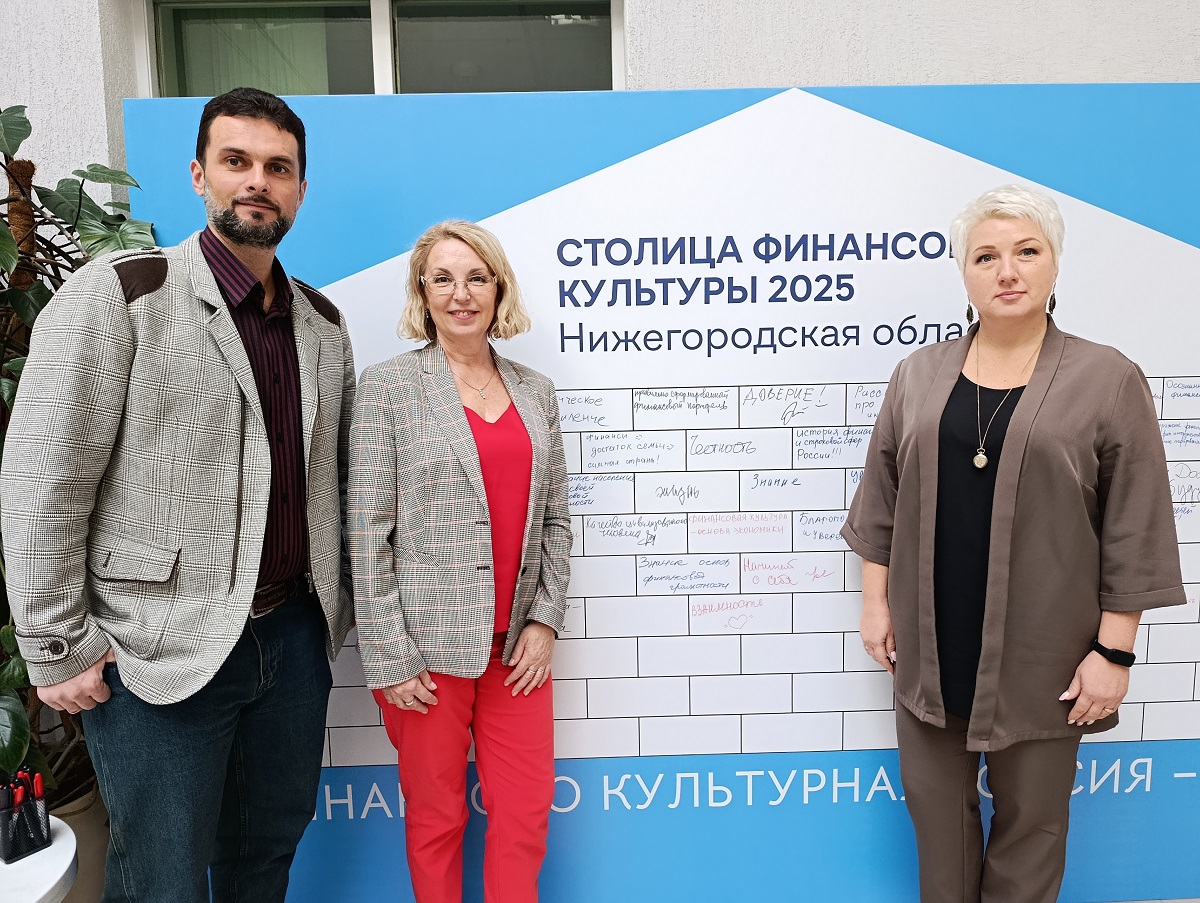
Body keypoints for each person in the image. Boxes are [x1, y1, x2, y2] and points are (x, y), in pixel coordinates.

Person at [1, 87, 356, 902]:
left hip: (291, 644)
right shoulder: (121, 294)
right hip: (156, 647)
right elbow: (44, 475)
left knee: (265, 858)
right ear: (200, 175)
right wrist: (55, 643)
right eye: (237, 161)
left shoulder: (323, 325)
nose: (257, 181)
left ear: (300, 189)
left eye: (278, 167)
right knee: (161, 880)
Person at [841, 184, 1184, 903]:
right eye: (985, 256)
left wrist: (1114, 653)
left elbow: (1136, 524)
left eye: (1027, 252)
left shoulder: (1107, 377)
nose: (1007, 271)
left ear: (1054, 264)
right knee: (938, 826)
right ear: (963, 272)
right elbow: (882, 497)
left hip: (1045, 656)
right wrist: (875, 604)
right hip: (928, 650)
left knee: (1033, 829)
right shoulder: (918, 374)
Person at [349, 220, 570, 903]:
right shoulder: (389, 387)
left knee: (525, 815)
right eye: (442, 279)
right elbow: (366, 532)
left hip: (517, 650)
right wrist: (389, 655)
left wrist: (545, 621)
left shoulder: (535, 391)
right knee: (437, 817)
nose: (461, 293)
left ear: (499, 288)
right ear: (423, 292)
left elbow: (556, 520)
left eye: (477, 277)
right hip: (426, 652)